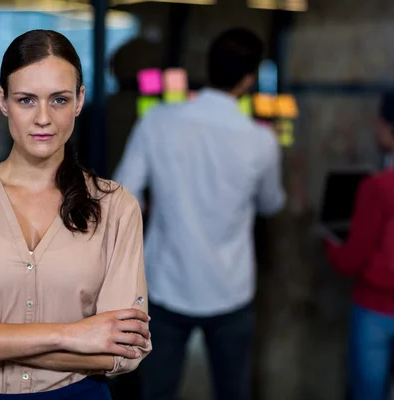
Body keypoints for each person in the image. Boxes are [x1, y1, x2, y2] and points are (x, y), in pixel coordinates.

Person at [0, 29, 152, 399]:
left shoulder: (116, 207)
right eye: (26, 100)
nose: (43, 119)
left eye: (59, 100)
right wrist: (72, 334)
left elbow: (122, 350)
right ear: (2, 100)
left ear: (80, 100)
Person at [113, 28, 285, 400]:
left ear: (207, 68)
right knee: (231, 391)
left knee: (157, 391)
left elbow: (125, 194)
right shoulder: (261, 141)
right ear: (250, 79)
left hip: (165, 282)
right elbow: (271, 203)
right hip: (230, 288)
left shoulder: (158, 121)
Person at [324, 89, 394, 400]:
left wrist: (327, 240)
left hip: (376, 312)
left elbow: (349, 262)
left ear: (389, 128)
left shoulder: (378, 188)